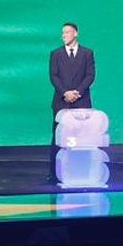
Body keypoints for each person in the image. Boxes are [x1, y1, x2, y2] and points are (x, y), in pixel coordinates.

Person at [48, 22, 95, 181]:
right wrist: (65, 93)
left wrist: (77, 93)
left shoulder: (87, 53)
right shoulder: (55, 54)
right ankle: (54, 173)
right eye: (63, 33)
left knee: (82, 137)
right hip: (61, 101)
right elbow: (53, 76)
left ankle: (82, 172)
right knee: (58, 137)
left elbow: (90, 76)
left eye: (67, 32)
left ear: (76, 33)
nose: (64, 35)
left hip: (81, 101)